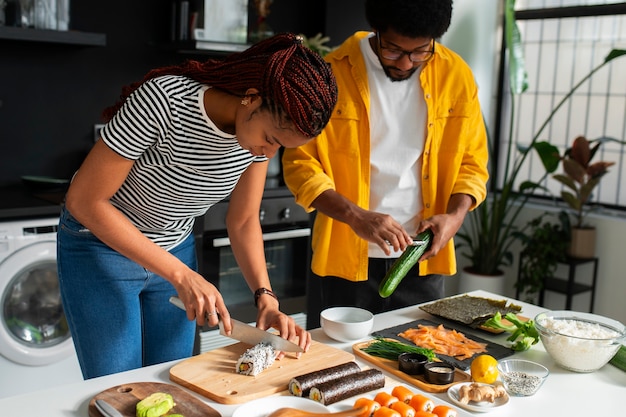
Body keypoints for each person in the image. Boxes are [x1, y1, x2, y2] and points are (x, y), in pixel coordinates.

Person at [57, 33, 338, 379]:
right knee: (118, 385)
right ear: (251, 98)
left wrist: (266, 298)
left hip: (174, 248)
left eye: (281, 147)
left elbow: (244, 219)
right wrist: (181, 274)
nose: (269, 154)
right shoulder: (164, 101)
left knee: (170, 379)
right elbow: (85, 201)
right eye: (271, 140)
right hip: (101, 248)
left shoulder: (256, 141)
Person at [282, 0, 489, 323]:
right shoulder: (331, 72)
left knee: (418, 359)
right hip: (345, 260)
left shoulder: (456, 76)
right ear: (376, 30)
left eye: (420, 51)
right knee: (335, 363)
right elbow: (300, 165)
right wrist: (356, 216)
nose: (406, 63)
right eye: (393, 50)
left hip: (422, 259)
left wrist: (455, 216)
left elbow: (473, 163)